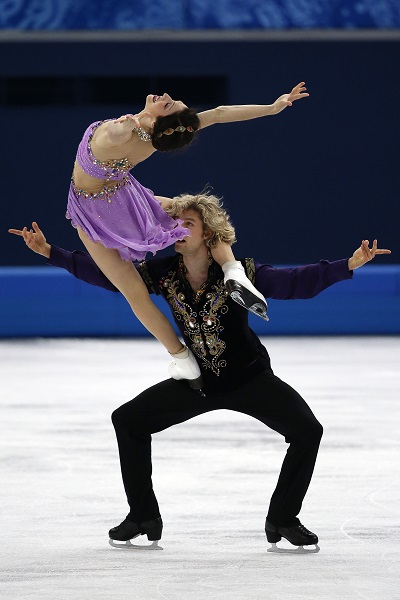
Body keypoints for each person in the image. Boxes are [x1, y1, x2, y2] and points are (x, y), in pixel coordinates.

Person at [10, 191, 390, 552]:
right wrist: (50, 252)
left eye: (187, 223)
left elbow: (295, 283)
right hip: (197, 382)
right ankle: (143, 516)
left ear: (208, 232)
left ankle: (283, 519)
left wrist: (349, 265)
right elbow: (112, 276)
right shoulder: (164, 272)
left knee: (308, 431)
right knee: (128, 420)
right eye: (174, 222)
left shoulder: (240, 274)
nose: (177, 228)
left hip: (249, 379)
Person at [66, 83, 309, 387]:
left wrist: (120, 128)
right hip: (123, 196)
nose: (165, 97)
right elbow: (219, 115)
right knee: (200, 214)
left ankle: (182, 357)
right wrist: (272, 108)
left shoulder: (127, 132)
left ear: (163, 126)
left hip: (92, 210)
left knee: (135, 290)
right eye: (171, 100)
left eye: (168, 104)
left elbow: (114, 136)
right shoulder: (151, 138)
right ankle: (232, 271)